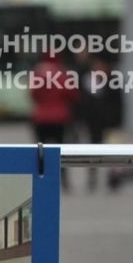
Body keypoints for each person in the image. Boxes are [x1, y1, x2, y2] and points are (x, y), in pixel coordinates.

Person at [29, 51, 79, 189]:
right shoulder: (63, 73)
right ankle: (64, 181)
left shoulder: (38, 72)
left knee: (40, 153)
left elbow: (33, 94)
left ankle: (40, 180)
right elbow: (73, 94)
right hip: (59, 117)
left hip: (41, 117)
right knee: (61, 151)